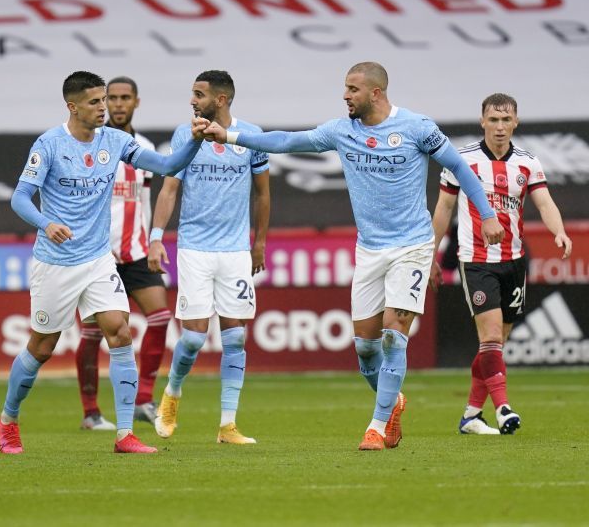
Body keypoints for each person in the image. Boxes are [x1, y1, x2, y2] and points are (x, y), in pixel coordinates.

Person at [203, 62, 505, 451]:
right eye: (345, 89)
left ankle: (377, 427)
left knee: (395, 336)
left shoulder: (416, 128)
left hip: (411, 246)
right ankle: (391, 399)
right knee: (365, 350)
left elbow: (460, 168)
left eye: (352, 89)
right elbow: (286, 142)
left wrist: (489, 214)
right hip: (369, 250)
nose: (345, 95)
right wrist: (228, 135)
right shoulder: (341, 131)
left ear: (376, 93)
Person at [0, 71, 209, 454]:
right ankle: (8, 420)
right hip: (56, 263)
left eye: (105, 100)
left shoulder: (116, 141)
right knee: (41, 348)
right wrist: (48, 223)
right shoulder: (48, 145)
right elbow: (20, 199)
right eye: (95, 101)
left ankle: (124, 434)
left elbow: (166, 165)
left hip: (98, 261)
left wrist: (194, 141)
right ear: (73, 106)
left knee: (120, 331)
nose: (104, 108)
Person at [429, 93, 572, 435]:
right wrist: (431, 256)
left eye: (506, 120)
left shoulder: (527, 163)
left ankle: (471, 415)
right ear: (482, 122)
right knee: (491, 336)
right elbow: (444, 211)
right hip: (476, 260)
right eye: (493, 119)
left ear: (516, 123)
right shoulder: (461, 161)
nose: (499, 127)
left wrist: (560, 231)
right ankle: (504, 408)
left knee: (495, 344)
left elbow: (545, 203)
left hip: (514, 261)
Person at [149, 70, 270, 444]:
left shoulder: (251, 136)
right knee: (194, 337)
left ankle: (227, 425)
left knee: (235, 338)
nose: (192, 101)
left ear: (220, 99)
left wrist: (259, 243)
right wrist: (156, 238)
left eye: (199, 94)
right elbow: (169, 189)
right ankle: (172, 393)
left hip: (235, 250)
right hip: (195, 248)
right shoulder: (185, 135)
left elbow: (263, 194)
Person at [75, 76, 172, 430]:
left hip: (136, 253)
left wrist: (153, 240)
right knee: (92, 334)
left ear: (136, 102)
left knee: (160, 318)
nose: (116, 104)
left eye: (123, 98)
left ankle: (143, 398)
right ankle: (90, 411)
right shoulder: (86, 145)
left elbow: (145, 199)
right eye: (111, 98)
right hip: (97, 256)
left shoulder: (142, 148)